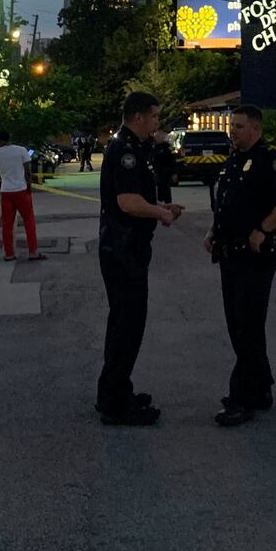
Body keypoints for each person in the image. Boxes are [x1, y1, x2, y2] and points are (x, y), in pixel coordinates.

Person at [205, 104, 276, 427]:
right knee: (241, 325)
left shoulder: (268, 161)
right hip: (230, 254)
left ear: (256, 129)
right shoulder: (234, 160)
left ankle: (241, 398)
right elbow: (230, 204)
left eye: (240, 126)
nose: (233, 130)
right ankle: (261, 388)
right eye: (232, 126)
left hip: (255, 255)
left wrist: (263, 229)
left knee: (245, 324)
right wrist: (213, 232)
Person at [96, 92, 184, 426]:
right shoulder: (127, 151)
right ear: (138, 117)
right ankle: (117, 404)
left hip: (124, 247)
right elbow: (128, 202)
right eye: (155, 116)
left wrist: (161, 206)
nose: (157, 122)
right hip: (124, 249)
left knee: (122, 323)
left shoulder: (132, 147)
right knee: (128, 325)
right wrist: (161, 212)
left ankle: (114, 391)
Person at [0, 130, 43, 262]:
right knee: (29, 220)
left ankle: (9, 253)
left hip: (6, 191)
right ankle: (33, 251)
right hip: (21, 189)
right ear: (9, 138)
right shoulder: (21, 150)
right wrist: (29, 186)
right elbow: (28, 171)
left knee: (7, 223)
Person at [152, 130, 176, 203]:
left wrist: (174, 173)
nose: (158, 138)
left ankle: (167, 202)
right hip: (156, 171)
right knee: (158, 188)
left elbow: (172, 161)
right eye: (157, 137)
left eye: (159, 137)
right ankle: (159, 201)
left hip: (166, 171)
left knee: (166, 188)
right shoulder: (153, 147)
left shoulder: (167, 148)